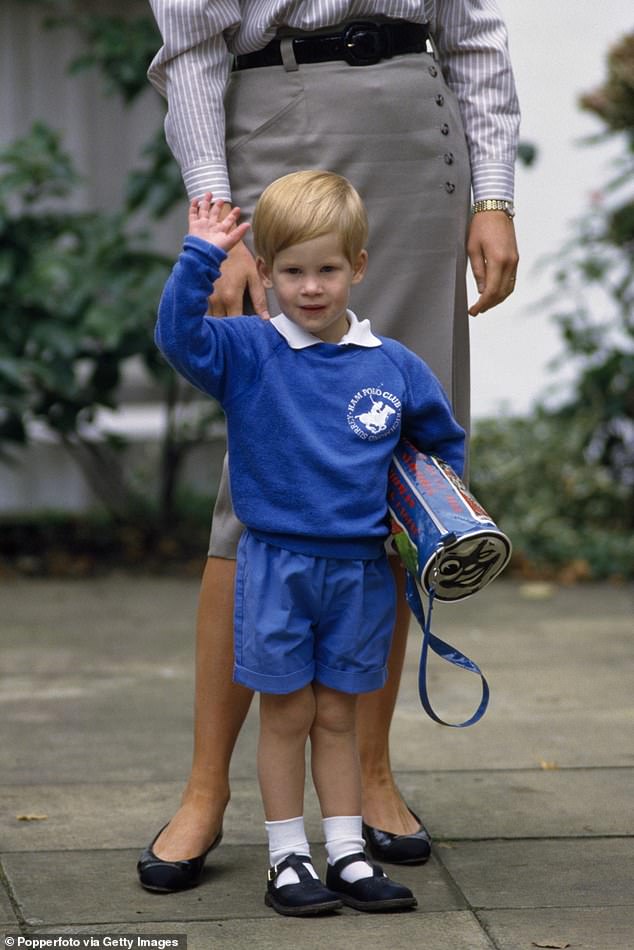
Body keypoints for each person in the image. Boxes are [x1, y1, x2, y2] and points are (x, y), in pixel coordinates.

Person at [140, 2, 520, 889]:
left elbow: (473, 30)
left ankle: (373, 776)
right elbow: (190, 45)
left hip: (417, 135)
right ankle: (205, 791)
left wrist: (493, 193)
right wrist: (214, 214)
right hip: (279, 116)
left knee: (387, 468)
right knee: (258, 483)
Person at [149, 170, 465, 916]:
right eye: (291, 270)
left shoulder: (393, 365)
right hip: (276, 568)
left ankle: (347, 855)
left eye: (327, 269)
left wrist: (429, 522)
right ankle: (287, 859)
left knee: (338, 716)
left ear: (358, 267)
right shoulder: (249, 352)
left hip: (360, 572)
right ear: (264, 272)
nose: (311, 287)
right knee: (286, 713)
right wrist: (199, 256)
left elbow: (440, 449)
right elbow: (175, 335)